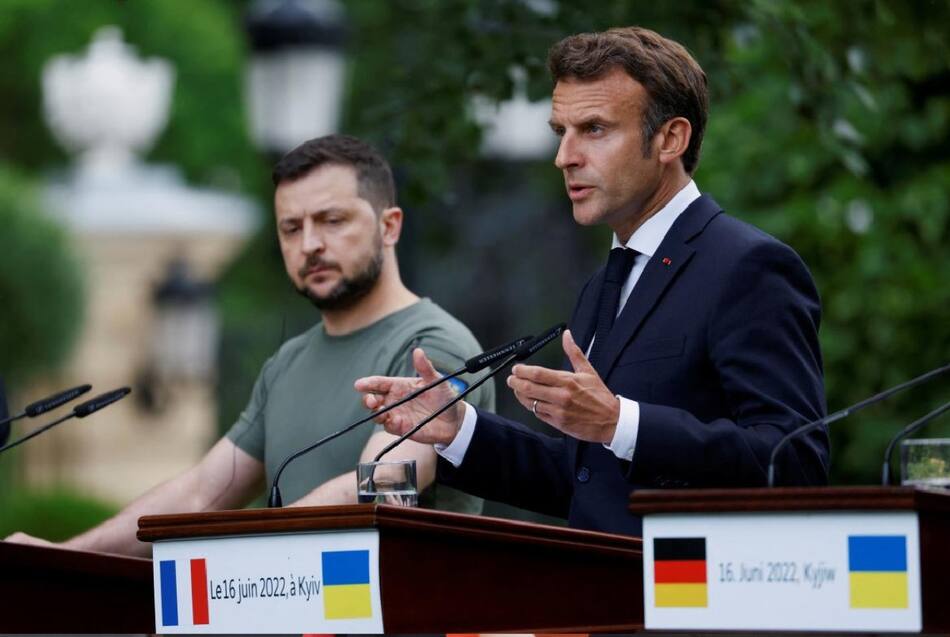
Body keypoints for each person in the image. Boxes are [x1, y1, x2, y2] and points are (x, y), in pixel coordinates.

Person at [356, 27, 829, 536]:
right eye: (561, 130)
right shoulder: (604, 284)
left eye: (595, 129)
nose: (565, 156)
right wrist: (458, 430)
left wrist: (621, 423)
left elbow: (794, 459)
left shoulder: (749, 267)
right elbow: (583, 480)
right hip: (600, 602)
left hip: (696, 605)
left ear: (671, 139)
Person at [6, 135, 493, 556]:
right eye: (291, 227)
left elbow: (380, 487)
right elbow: (201, 494)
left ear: (389, 226)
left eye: (331, 220)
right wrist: (63, 556)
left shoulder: (432, 348)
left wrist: (248, 553)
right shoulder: (287, 363)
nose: (309, 245)